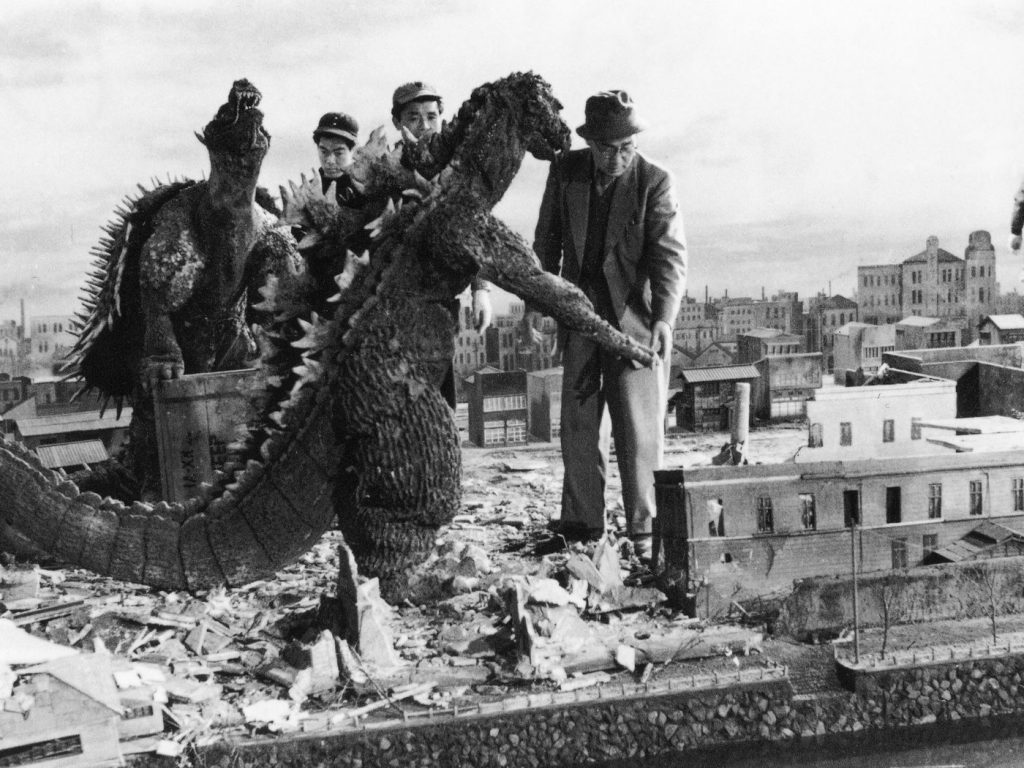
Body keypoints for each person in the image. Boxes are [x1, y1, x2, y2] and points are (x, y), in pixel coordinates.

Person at [522, 90, 687, 560]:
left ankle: (644, 531)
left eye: (627, 148)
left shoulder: (655, 181)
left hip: (635, 322)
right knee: (577, 425)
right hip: (579, 316)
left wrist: (664, 320)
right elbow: (545, 243)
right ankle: (581, 526)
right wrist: (538, 302)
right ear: (590, 143)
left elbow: (669, 258)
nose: (618, 158)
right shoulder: (565, 172)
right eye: (608, 148)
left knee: (638, 429)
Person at [391, 81, 492, 407]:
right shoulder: (387, 168)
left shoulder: (457, 168)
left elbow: (476, 226)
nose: (424, 126)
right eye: (414, 118)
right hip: (392, 304)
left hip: (440, 302)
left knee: (440, 397)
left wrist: (480, 289)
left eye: (431, 117)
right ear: (398, 122)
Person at [313, 112, 365, 207]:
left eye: (338, 153)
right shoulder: (308, 191)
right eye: (324, 152)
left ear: (353, 150)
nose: (330, 160)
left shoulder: (367, 189)